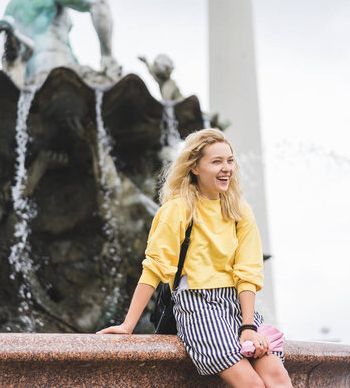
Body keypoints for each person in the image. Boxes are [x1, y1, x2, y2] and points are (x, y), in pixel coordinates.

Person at [98, 129, 292, 387]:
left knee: (277, 377)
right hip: (198, 306)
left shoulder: (240, 211)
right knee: (252, 384)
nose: (227, 168)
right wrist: (128, 325)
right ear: (195, 168)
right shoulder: (178, 209)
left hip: (236, 306)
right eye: (216, 161)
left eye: (230, 160)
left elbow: (248, 272)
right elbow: (155, 267)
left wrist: (248, 327)